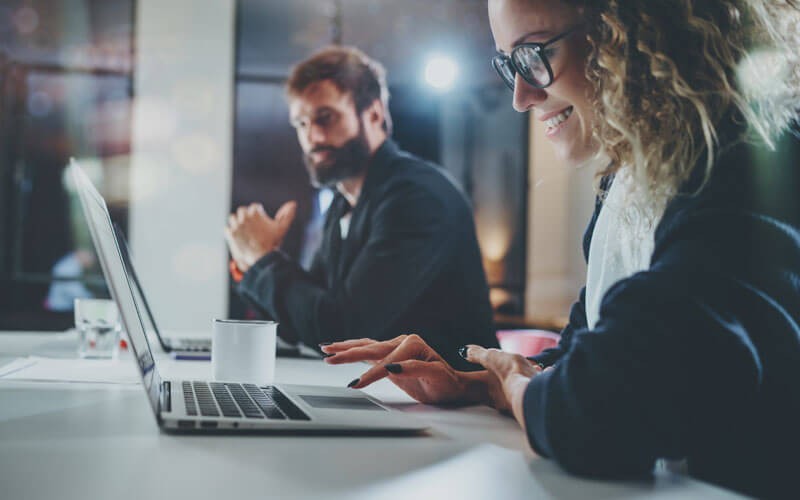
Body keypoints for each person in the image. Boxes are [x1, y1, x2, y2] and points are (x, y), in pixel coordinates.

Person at [322, 1, 800, 498]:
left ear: (635, 30)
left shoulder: (758, 162)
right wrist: (477, 382)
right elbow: (584, 355)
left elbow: (602, 410)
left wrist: (517, 384)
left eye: (532, 55)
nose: (521, 97)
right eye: (510, 65)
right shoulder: (629, 178)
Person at [224, 46, 497, 368]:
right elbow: (306, 320)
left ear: (374, 114)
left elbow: (342, 333)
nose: (312, 136)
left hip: (458, 405)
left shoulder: (416, 198)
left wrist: (264, 260)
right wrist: (252, 262)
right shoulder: (342, 204)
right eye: (301, 124)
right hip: (388, 393)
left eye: (325, 117)